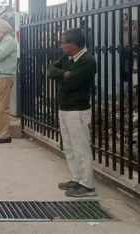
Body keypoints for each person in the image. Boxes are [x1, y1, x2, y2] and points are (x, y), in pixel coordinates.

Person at [47, 28, 97, 197]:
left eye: (64, 43)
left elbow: (72, 82)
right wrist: (64, 74)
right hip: (65, 108)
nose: (61, 46)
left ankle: (87, 185)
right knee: (69, 146)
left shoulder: (87, 61)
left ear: (74, 44)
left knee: (81, 147)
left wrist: (64, 77)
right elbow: (51, 70)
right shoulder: (68, 58)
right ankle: (77, 178)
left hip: (78, 110)